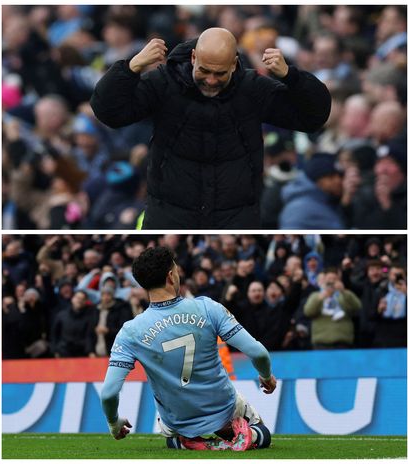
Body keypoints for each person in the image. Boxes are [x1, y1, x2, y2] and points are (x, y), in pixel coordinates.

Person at [90, 27, 331, 228]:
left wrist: (291, 76)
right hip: (169, 215)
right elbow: (109, 112)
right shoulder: (164, 83)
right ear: (193, 57)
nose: (211, 80)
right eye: (204, 70)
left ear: (234, 64)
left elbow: (312, 118)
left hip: (235, 218)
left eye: (220, 73)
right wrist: (131, 68)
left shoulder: (253, 89)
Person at [100, 246, 274, 451]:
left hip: (176, 419)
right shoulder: (208, 308)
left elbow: (108, 393)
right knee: (264, 434)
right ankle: (249, 434)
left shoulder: (130, 332)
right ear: (171, 276)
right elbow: (258, 352)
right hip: (222, 407)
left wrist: (114, 423)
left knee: (169, 435)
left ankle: (185, 441)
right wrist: (266, 375)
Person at [278, 153, 345, 229]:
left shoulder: (326, 200)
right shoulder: (299, 209)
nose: (338, 181)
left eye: (340, 176)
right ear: (317, 181)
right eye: (330, 177)